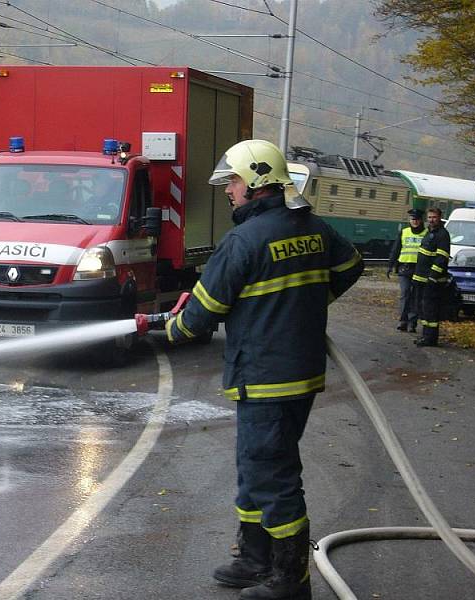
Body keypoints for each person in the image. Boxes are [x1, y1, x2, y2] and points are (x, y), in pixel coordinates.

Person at [165, 139, 363, 600]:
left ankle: (290, 579)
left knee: (271, 476)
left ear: (256, 182)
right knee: (257, 467)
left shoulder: (244, 240)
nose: (228, 191)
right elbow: (350, 266)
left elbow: (198, 318)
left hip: (264, 375)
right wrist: (308, 306)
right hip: (300, 375)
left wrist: (167, 329)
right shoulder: (313, 228)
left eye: (232, 181)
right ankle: (255, 559)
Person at [412, 207, 450, 347]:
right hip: (421, 278)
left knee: (431, 311)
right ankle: (425, 336)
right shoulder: (429, 232)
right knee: (423, 310)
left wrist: (433, 277)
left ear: (439, 218)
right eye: (429, 217)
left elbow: (441, 258)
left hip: (432, 281)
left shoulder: (442, 235)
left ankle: (430, 338)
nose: (431, 220)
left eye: (434, 217)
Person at [387, 209, 427, 332]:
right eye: (412, 219)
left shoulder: (426, 233)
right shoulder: (404, 232)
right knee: (405, 294)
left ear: (421, 220)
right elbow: (396, 249)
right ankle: (403, 320)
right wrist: (390, 265)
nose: (414, 221)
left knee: (416, 296)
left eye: (417, 219)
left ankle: (412, 323)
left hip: (419, 269)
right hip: (404, 268)